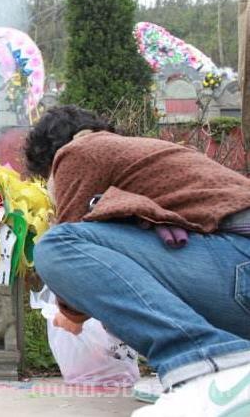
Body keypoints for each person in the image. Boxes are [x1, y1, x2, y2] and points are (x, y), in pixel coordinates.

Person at [25, 105, 250, 417]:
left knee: (56, 246)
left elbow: (71, 239)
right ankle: (222, 366)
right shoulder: (145, 158)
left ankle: (205, 367)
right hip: (235, 270)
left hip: (241, 261)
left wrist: (70, 313)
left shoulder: (82, 148)